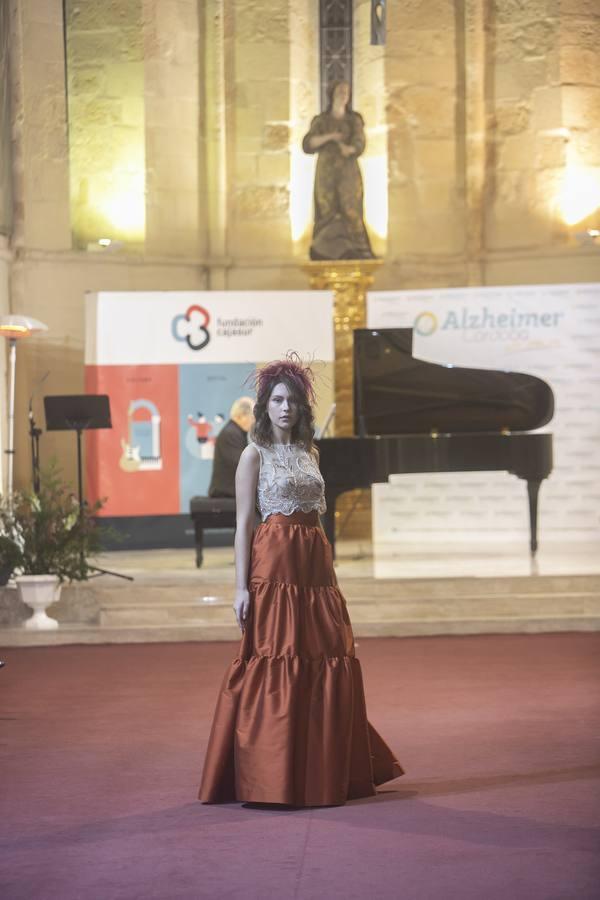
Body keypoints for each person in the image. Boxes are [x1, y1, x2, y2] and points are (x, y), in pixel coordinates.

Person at [198, 354, 403, 807]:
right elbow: (243, 526)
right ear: (264, 406)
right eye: (277, 399)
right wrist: (239, 588)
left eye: (292, 400)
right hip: (275, 567)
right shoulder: (253, 454)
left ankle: (323, 770)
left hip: (314, 567)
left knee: (326, 658)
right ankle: (271, 775)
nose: (285, 407)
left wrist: (330, 578)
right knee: (278, 659)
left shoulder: (312, 452)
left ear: (301, 407)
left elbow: (319, 520)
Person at [302, 80, 375, 261]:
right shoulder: (321, 121)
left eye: (346, 92)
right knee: (327, 207)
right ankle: (325, 248)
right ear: (332, 93)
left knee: (350, 207)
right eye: (340, 91)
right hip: (327, 172)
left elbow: (359, 143)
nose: (343, 95)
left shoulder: (353, 120)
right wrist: (330, 137)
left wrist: (349, 149)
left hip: (347, 172)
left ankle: (357, 248)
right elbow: (308, 144)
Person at [207, 397, 254, 498]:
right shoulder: (231, 434)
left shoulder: (234, 432)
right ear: (242, 416)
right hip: (225, 497)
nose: (253, 422)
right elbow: (242, 465)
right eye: (252, 417)